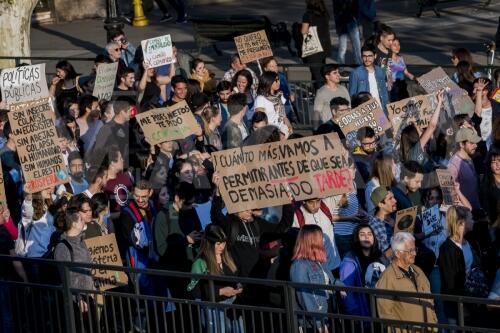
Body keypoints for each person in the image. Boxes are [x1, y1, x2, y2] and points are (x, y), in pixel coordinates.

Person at [211, 172, 294, 278]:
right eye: (246, 205)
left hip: (258, 278)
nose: (250, 209)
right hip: (237, 279)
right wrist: (218, 192)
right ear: (235, 206)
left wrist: (287, 204)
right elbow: (215, 216)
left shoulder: (256, 223)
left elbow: (283, 227)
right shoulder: (230, 223)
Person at [187, 224, 244, 333]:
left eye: (223, 243)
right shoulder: (200, 263)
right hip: (213, 307)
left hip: (232, 303)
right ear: (209, 244)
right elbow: (195, 291)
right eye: (218, 243)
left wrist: (238, 286)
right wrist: (221, 291)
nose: (222, 247)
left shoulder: (228, 257)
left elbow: (236, 276)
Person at [376, 232, 438, 330]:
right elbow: (386, 315)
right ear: (397, 253)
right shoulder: (387, 278)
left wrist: (434, 325)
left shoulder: (418, 271)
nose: (414, 253)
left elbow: (430, 301)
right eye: (410, 251)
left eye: (415, 249)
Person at [290, 225, 345, 332]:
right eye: (320, 237)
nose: (323, 240)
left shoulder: (318, 261)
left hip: (327, 309)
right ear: (311, 241)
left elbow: (330, 280)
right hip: (314, 319)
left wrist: (340, 286)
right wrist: (319, 322)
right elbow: (305, 296)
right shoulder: (299, 266)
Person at [54, 209, 98, 333]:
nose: (83, 220)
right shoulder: (63, 247)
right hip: (75, 300)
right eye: (80, 218)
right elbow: (66, 277)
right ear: (73, 224)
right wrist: (78, 299)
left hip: (88, 295)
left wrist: (92, 287)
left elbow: (87, 267)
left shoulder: (81, 241)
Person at [438, 205, 474, 323]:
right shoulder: (447, 249)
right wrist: (461, 306)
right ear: (462, 223)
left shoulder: (468, 243)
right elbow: (450, 283)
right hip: (456, 305)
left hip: (469, 299)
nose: (473, 221)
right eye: (471, 218)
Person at [340, 223, 384, 317]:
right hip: (363, 314)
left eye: (369, 234)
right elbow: (346, 291)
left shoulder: (379, 255)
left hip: (380, 309)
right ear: (357, 238)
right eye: (362, 234)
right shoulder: (350, 260)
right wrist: (354, 313)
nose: (366, 237)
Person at [399, 90, 444, 171]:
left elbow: (434, 126)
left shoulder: (426, 146)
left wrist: (437, 106)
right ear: (413, 136)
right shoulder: (414, 153)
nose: (422, 128)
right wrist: (439, 102)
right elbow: (431, 126)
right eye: (419, 129)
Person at [87, 96, 134, 168]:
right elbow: (97, 155)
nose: (132, 113)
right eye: (130, 111)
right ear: (122, 111)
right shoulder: (107, 129)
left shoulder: (127, 128)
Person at [301, 0, 332, 90]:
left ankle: (321, 96)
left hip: (313, 48)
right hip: (324, 46)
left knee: (317, 74)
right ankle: (315, 92)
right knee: (319, 72)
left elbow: (304, 31)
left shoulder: (308, 15)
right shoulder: (324, 13)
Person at [448, 127, 481, 210]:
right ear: (461, 144)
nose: (476, 145)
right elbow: (452, 195)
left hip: (476, 208)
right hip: (466, 214)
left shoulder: (469, 157)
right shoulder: (453, 166)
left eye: (476, 142)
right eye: (472, 143)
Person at [349, 44, 389, 113]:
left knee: (382, 123)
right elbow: (352, 95)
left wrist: (387, 107)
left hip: (381, 109)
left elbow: (384, 91)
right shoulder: (356, 73)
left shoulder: (380, 70)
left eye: (370, 56)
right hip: (364, 111)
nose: (367, 59)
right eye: (364, 56)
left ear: (375, 56)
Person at [255, 71, 292, 138]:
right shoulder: (260, 99)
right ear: (268, 81)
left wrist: (289, 126)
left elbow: (284, 116)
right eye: (275, 80)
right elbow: (260, 121)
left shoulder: (279, 96)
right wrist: (273, 135)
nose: (278, 82)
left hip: (283, 131)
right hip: (270, 134)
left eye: (278, 80)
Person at [262, 57, 297, 124]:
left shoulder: (281, 76)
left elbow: (286, 88)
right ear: (265, 68)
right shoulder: (264, 80)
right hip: (274, 110)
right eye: (272, 66)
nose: (275, 68)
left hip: (286, 105)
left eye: (276, 65)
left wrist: (290, 94)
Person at [368, 186, 397, 258]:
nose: (395, 200)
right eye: (390, 199)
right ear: (380, 204)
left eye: (393, 197)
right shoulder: (374, 226)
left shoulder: (395, 216)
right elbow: (385, 256)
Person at [333, 0, 362, 66]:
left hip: (350, 21)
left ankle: (358, 64)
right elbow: (336, 10)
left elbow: (356, 5)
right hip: (342, 23)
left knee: (356, 46)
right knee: (343, 47)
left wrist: (355, 17)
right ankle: (341, 67)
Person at [389, 37, 415, 102]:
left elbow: (406, 72)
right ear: (389, 46)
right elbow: (385, 76)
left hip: (402, 86)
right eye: (394, 45)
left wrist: (416, 79)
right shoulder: (386, 60)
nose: (397, 47)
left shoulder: (401, 58)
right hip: (393, 88)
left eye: (398, 45)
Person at [480, 144, 500, 223]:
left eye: (499, 160)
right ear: (490, 165)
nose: (497, 164)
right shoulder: (486, 186)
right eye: (493, 162)